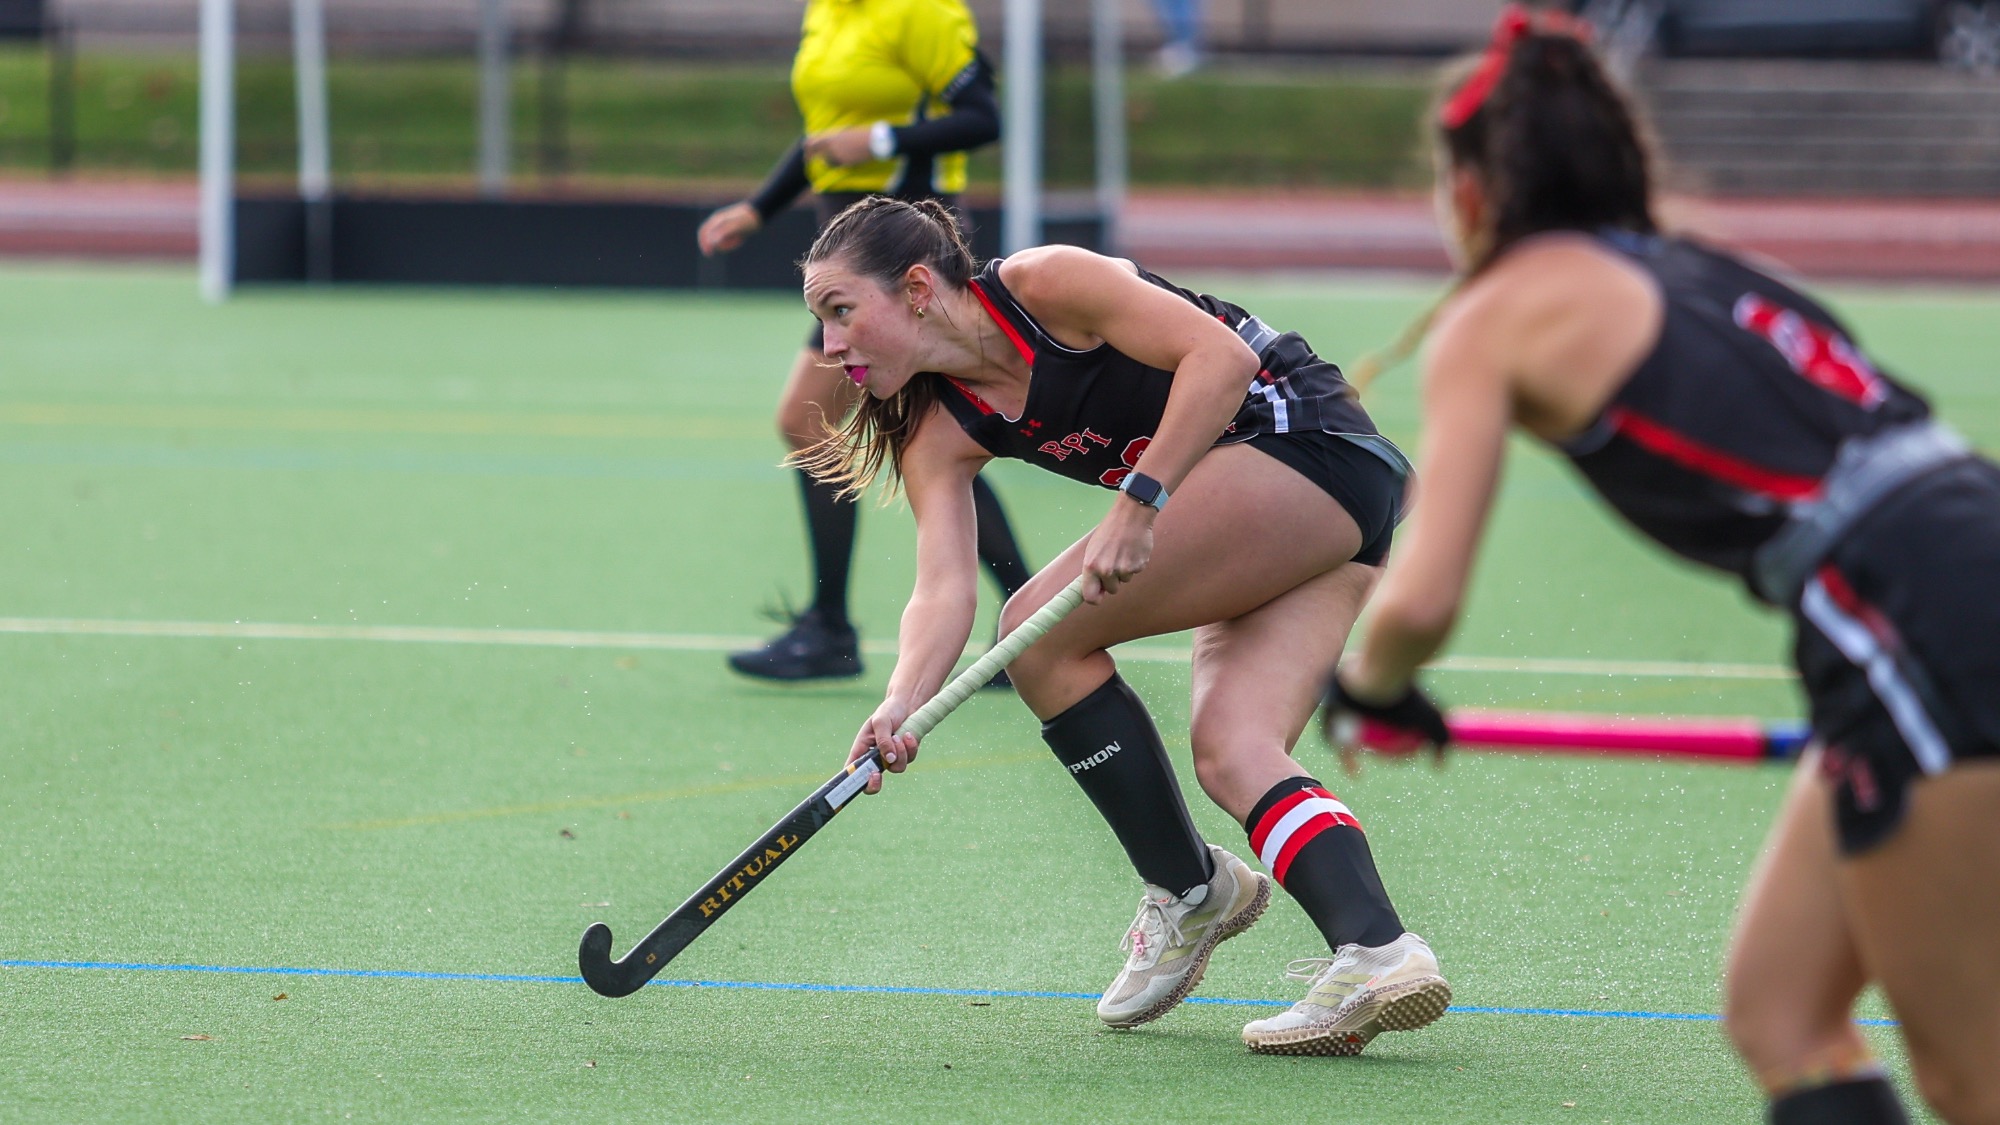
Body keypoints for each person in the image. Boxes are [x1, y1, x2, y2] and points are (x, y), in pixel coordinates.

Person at [1322, 8, 2000, 1122]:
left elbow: (1422, 599)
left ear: (1473, 193)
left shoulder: (1492, 315)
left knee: (1970, 1083)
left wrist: (1367, 690)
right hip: (1933, 565)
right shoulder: (1694, 264)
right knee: (1781, 1012)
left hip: (1903, 612)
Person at [799, 195, 1452, 1054]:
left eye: (841, 312)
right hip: (1312, 519)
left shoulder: (1046, 284)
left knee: (1036, 627)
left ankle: (1185, 892)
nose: (829, 344)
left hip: (1304, 443)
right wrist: (900, 701)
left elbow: (1216, 360)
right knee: (1231, 749)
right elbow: (943, 587)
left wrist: (1142, 498)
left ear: (917, 287)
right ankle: (1377, 948)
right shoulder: (938, 425)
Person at [697, 0, 1034, 682]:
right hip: (849, 251)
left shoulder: (923, 14)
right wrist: (759, 208)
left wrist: (881, 142)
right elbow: (825, 139)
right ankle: (846, 625)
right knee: (869, 430)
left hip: (906, 252)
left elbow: (983, 118)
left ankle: (848, 627)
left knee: (922, 439)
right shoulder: (826, 13)